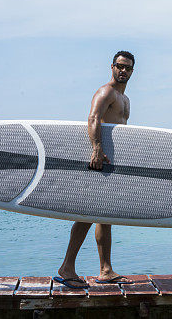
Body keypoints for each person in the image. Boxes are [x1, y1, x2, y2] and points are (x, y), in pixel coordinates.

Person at [53, 51, 135, 288]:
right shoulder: (106, 92)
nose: (123, 71)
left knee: (104, 215)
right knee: (87, 213)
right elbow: (93, 119)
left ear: (132, 72)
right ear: (112, 67)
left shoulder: (125, 99)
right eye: (119, 66)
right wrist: (96, 150)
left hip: (111, 162)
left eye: (127, 68)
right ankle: (67, 268)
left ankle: (105, 270)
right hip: (99, 159)